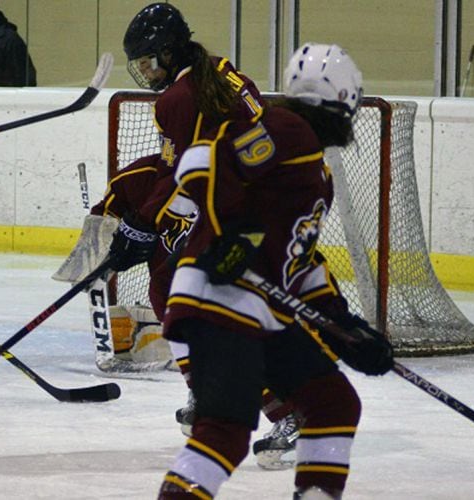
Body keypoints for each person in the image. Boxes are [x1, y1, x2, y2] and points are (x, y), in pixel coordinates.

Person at [154, 43, 393, 499]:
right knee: (224, 428)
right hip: (220, 301)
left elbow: (298, 264)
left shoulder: (312, 169)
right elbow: (198, 164)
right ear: (344, 100)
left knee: (333, 404)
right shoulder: (288, 130)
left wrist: (345, 325)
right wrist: (232, 236)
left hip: (261, 313)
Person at [108, 2, 301, 470]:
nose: (145, 71)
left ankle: (293, 411)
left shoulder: (178, 100)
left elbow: (181, 174)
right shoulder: (216, 70)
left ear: (170, 53)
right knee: (168, 291)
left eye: (149, 60)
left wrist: (143, 222)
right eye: (139, 64)